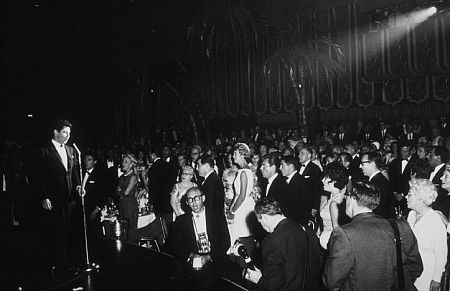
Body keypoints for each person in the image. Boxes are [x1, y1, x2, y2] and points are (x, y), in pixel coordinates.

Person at [324, 181, 423, 291]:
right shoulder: (401, 226)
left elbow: (331, 281)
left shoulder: (344, 234)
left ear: (352, 199)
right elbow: (416, 268)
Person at [244, 197, 322, 291]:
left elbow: (273, 286)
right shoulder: (307, 229)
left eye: (260, 222)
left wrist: (258, 279)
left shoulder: (271, 241)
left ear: (263, 217)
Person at [34, 119, 81, 269]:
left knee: (69, 230)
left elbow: (73, 172)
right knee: (55, 231)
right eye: (65, 132)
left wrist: (79, 185)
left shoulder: (71, 150)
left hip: (69, 199)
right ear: (56, 132)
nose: (68, 136)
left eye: (69, 133)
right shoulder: (44, 151)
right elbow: (38, 177)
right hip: (53, 198)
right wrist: (44, 196)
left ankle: (68, 261)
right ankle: (56, 263)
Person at [168, 187, 230, 289]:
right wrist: (192, 255)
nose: (194, 203)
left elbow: (225, 242)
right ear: (187, 203)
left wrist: (208, 257)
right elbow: (175, 245)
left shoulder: (218, 217)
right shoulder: (180, 221)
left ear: (203, 198)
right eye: (190, 200)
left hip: (214, 259)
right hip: (192, 261)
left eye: (196, 198)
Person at [406, 178, 447, 291]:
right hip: (411, 268)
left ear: (420, 198)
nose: (406, 197)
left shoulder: (435, 220)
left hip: (427, 271)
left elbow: (442, 251)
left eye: (409, 195)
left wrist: (437, 278)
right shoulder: (411, 215)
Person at [228, 143, 257, 255]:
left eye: (235, 154)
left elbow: (242, 196)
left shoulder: (244, 172)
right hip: (243, 204)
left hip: (242, 206)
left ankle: (244, 258)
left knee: (242, 233)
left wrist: (233, 211)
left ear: (242, 155)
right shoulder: (244, 170)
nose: (233, 156)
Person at [76, 151, 107, 237]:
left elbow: (103, 193)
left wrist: (97, 210)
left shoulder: (99, 175)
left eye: (89, 160)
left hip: (93, 210)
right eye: (85, 160)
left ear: (95, 162)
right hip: (82, 209)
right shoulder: (80, 173)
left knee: (95, 234)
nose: (86, 162)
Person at [319, 162, 348, 249]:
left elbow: (337, 230)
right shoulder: (334, 197)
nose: (322, 180)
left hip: (332, 244)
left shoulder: (335, 202)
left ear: (333, 181)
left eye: (325, 178)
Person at [360, 151, 393, 218]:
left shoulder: (379, 183)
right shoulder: (376, 180)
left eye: (362, 163)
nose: (360, 166)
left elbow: (378, 208)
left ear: (372, 164)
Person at [115, 154, 139, 244]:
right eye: (123, 161)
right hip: (122, 204)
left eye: (126, 162)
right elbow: (117, 192)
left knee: (131, 230)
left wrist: (121, 190)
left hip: (130, 205)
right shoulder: (121, 177)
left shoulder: (133, 176)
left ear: (131, 165)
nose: (123, 164)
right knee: (123, 229)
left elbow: (126, 192)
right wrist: (121, 191)